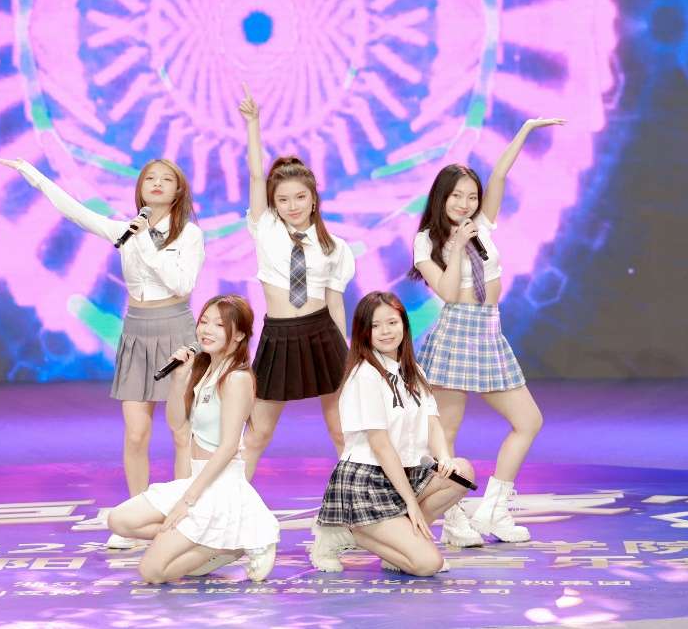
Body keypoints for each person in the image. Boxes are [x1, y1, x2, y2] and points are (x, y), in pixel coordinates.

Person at [0, 157, 204, 549]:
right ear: (140, 188)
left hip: (176, 331)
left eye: (166, 179)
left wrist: (144, 241)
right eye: (150, 178)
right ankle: (135, 520)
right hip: (137, 330)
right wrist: (35, 176)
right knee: (136, 433)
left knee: (182, 432)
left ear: (179, 191)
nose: (157, 183)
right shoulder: (124, 228)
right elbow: (76, 212)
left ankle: (182, 521)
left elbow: (182, 283)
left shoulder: (189, 235)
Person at [409, 117, 565, 546]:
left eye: (471, 196)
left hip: (489, 332)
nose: (465, 203)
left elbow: (499, 174)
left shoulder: (483, 225)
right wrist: (458, 246)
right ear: (441, 197)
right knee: (446, 433)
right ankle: (452, 515)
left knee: (528, 421)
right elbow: (447, 292)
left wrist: (526, 129)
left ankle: (494, 509)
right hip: (455, 333)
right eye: (456, 196)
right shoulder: (427, 241)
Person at [106, 295, 279, 583]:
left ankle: (235, 541)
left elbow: (228, 447)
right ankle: (221, 540)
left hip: (218, 487)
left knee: (152, 572)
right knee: (119, 520)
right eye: (204, 322)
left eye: (219, 325)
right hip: (196, 480)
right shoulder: (206, 369)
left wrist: (187, 501)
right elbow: (178, 425)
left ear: (239, 335)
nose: (206, 330)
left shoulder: (236, 378)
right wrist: (179, 380)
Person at [309, 291, 475, 575]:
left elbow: (432, 421)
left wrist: (444, 457)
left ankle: (397, 550)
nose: (385, 331)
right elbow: (381, 446)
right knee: (428, 564)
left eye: (392, 322)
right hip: (369, 480)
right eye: (375, 325)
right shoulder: (365, 375)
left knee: (462, 472)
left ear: (404, 325)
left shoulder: (413, 370)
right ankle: (348, 532)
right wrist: (410, 502)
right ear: (364, 332)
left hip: (406, 471)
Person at [237, 84, 356, 477]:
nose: (292, 206)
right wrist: (253, 124)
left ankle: (356, 500)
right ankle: (233, 504)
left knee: (342, 430)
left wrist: (348, 352)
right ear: (274, 203)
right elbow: (257, 174)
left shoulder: (335, 246)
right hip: (280, 335)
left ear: (314, 198)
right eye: (283, 199)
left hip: (323, 334)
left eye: (300, 198)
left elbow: (335, 303)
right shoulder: (266, 228)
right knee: (257, 433)